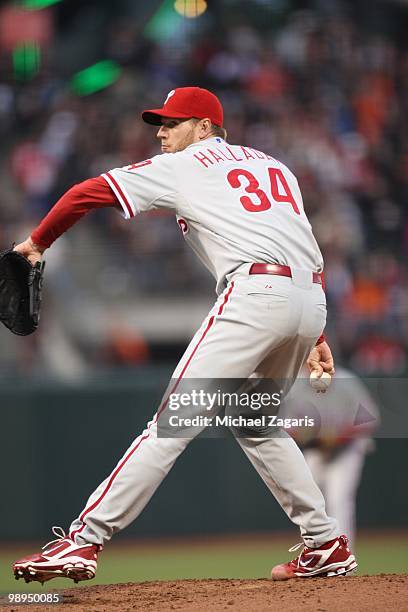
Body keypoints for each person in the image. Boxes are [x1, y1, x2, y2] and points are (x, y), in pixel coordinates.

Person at [12, 86, 356, 583]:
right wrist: (316, 332)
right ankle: (325, 543)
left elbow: (86, 193)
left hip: (255, 296)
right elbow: (301, 246)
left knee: (169, 424)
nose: (161, 131)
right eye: (160, 122)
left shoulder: (188, 162)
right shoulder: (275, 166)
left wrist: (34, 243)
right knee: (255, 421)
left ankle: (82, 542)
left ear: (204, 128)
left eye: (173, 122)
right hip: (307, 298)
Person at [283, 365, 380, 547]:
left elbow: (369, 419)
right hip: (315, 449)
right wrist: (306, 433)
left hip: (347, 450)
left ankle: (344, 554)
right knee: (308, 498)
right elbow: (285, 424)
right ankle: (315, 549)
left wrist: (338, 435)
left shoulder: (347, 382)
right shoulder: (296, 385)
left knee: (338, 499)